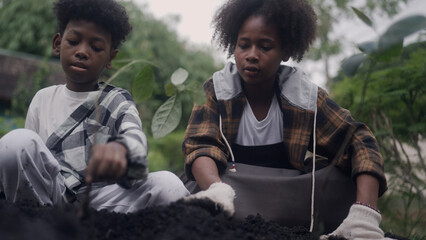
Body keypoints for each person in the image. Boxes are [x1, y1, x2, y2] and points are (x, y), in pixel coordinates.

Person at [182, 0, 390, 239]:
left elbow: (359, 142)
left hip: (287, 194)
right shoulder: (217, 90)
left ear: (286, 51)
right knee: (191, 183)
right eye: (244, 45)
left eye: (265, 47)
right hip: (234, 189)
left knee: (340, 180)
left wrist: (365, 212)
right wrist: (217, 189)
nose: (251, 55)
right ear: (233, 46)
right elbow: (200, 145)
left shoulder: (305, 97)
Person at [0, 0, 189, 213]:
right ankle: (36, 227)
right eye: (73, 41)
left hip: (103, 203)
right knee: (16, 143)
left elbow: (136, 138)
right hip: (50, 200)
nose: (82, 51)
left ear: (111, 58)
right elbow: (27, 165)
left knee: (168, 185)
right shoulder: (42, 98)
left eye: (96, 47)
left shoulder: (116, 99)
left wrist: (121, 149)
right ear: (57, 44)